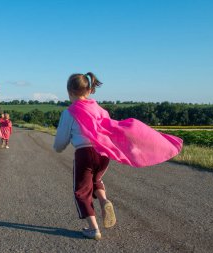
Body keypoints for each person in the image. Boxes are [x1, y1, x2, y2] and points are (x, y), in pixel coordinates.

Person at [53, 72, 183, 240]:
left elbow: (60, 141)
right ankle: (104, 200)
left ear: (70, 92)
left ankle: (93, 229)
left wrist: (58, 148)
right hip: (104, 153)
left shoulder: (69, 112)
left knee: (82, 191)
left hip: (84, 153)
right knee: (96, 180)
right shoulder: (101, 110)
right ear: (90, 90)